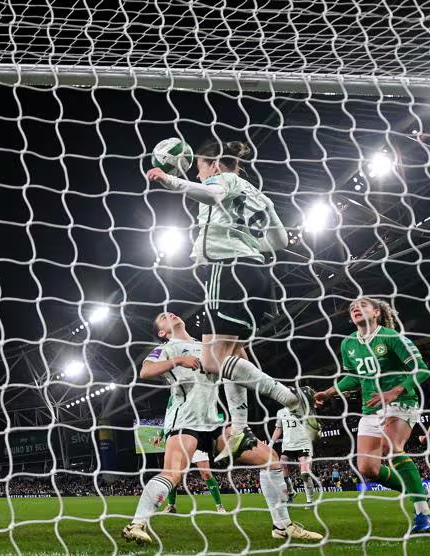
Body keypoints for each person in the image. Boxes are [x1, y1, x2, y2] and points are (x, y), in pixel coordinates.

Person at [147, 140, 312, 460]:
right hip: (256, 276)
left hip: (227, 272)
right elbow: (280, 240)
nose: (198, 176)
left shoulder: (222, 180)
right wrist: (248, 245)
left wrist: (169, 180)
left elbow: (212, 194)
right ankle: (239, 428)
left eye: (200, 169)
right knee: (234, 354)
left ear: (214, 165)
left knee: (212, 362)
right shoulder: (258, 195)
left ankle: (291, 398)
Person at [121, 313, 322, 544]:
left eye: (170, 312)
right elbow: (145, 371)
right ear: (162, 332)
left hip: (214, 423)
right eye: (163, 317)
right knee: (173, 474)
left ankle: (282, 526)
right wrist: (179, 360)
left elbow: (241, 367)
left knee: (270, 459)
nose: (170, 314)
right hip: (185, 420)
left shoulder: (207, 346)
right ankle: (136, 525)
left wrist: (237, 346)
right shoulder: (166, 348)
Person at [314, 297, 430, 533]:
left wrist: (395, 391)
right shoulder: (348, 344)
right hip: (370, 408)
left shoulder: (391, 337)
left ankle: (424, 514)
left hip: (401, 401)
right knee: (367, 468)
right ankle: (418, 491)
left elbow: (421, 369)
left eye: (362, 305)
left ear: (377, 312)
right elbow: (354, 377)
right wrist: (329, 392)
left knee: (392, 447)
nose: (355, 309)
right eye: (352, 308)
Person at [151, 403, 226, 513]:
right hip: (177, 438)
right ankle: (171, 505)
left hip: (197, 436)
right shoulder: (172, 399)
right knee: (173, 474)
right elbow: (169, 418)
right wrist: (161, 435)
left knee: (206, 473)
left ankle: (219, 506)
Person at [269, 407, 318, 507]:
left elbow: (312, 423)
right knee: (282, 473)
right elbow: (278, 429)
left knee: (305, 473)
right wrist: (271, 443)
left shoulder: (303, 408)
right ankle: (291, 492)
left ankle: (310, 501)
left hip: (303, 444)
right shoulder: (280, 412)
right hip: (287, 445)